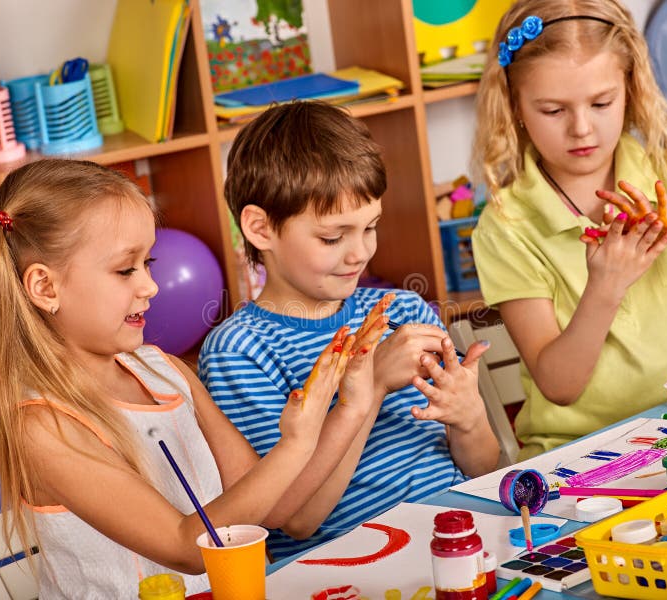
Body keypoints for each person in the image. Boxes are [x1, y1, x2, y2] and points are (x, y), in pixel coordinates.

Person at [0, 159, 378, 598]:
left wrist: (351, 404)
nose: (150, 286)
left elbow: (275, 507)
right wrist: (296, 441)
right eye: (126, 269)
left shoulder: (165, 371)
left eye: (149, 262)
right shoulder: (44, 425)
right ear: (46, 288)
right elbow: (189, 547)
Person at [199, 101, 499, 560]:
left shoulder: (403, 309)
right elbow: (296, 520)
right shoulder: (240, 350)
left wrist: (468, 416)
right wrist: (371, 384)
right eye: (332, 237)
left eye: (370, 228)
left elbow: (482, 465)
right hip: (351, 565)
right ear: (261, 229)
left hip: (463, 537)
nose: (359, 253)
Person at [471, 0, 667, 459]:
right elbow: (559, 387)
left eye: (601, 103)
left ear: (630, 88)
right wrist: (606, 286)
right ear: (515, 105)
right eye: (552, 110)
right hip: (580, 456)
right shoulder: (506, 226)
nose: (582, 128)